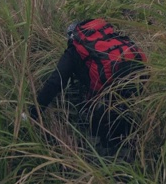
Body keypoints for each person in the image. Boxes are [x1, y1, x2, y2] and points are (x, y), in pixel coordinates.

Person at [29, 18, 146, 150]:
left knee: (100, 115)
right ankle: (135, 143)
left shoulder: (75, 49)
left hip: (109, 85)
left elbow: (55, 82)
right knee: (127, 109)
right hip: (139, 72)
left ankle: (102, 151)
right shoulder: (110, 37)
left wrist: (33, 113)